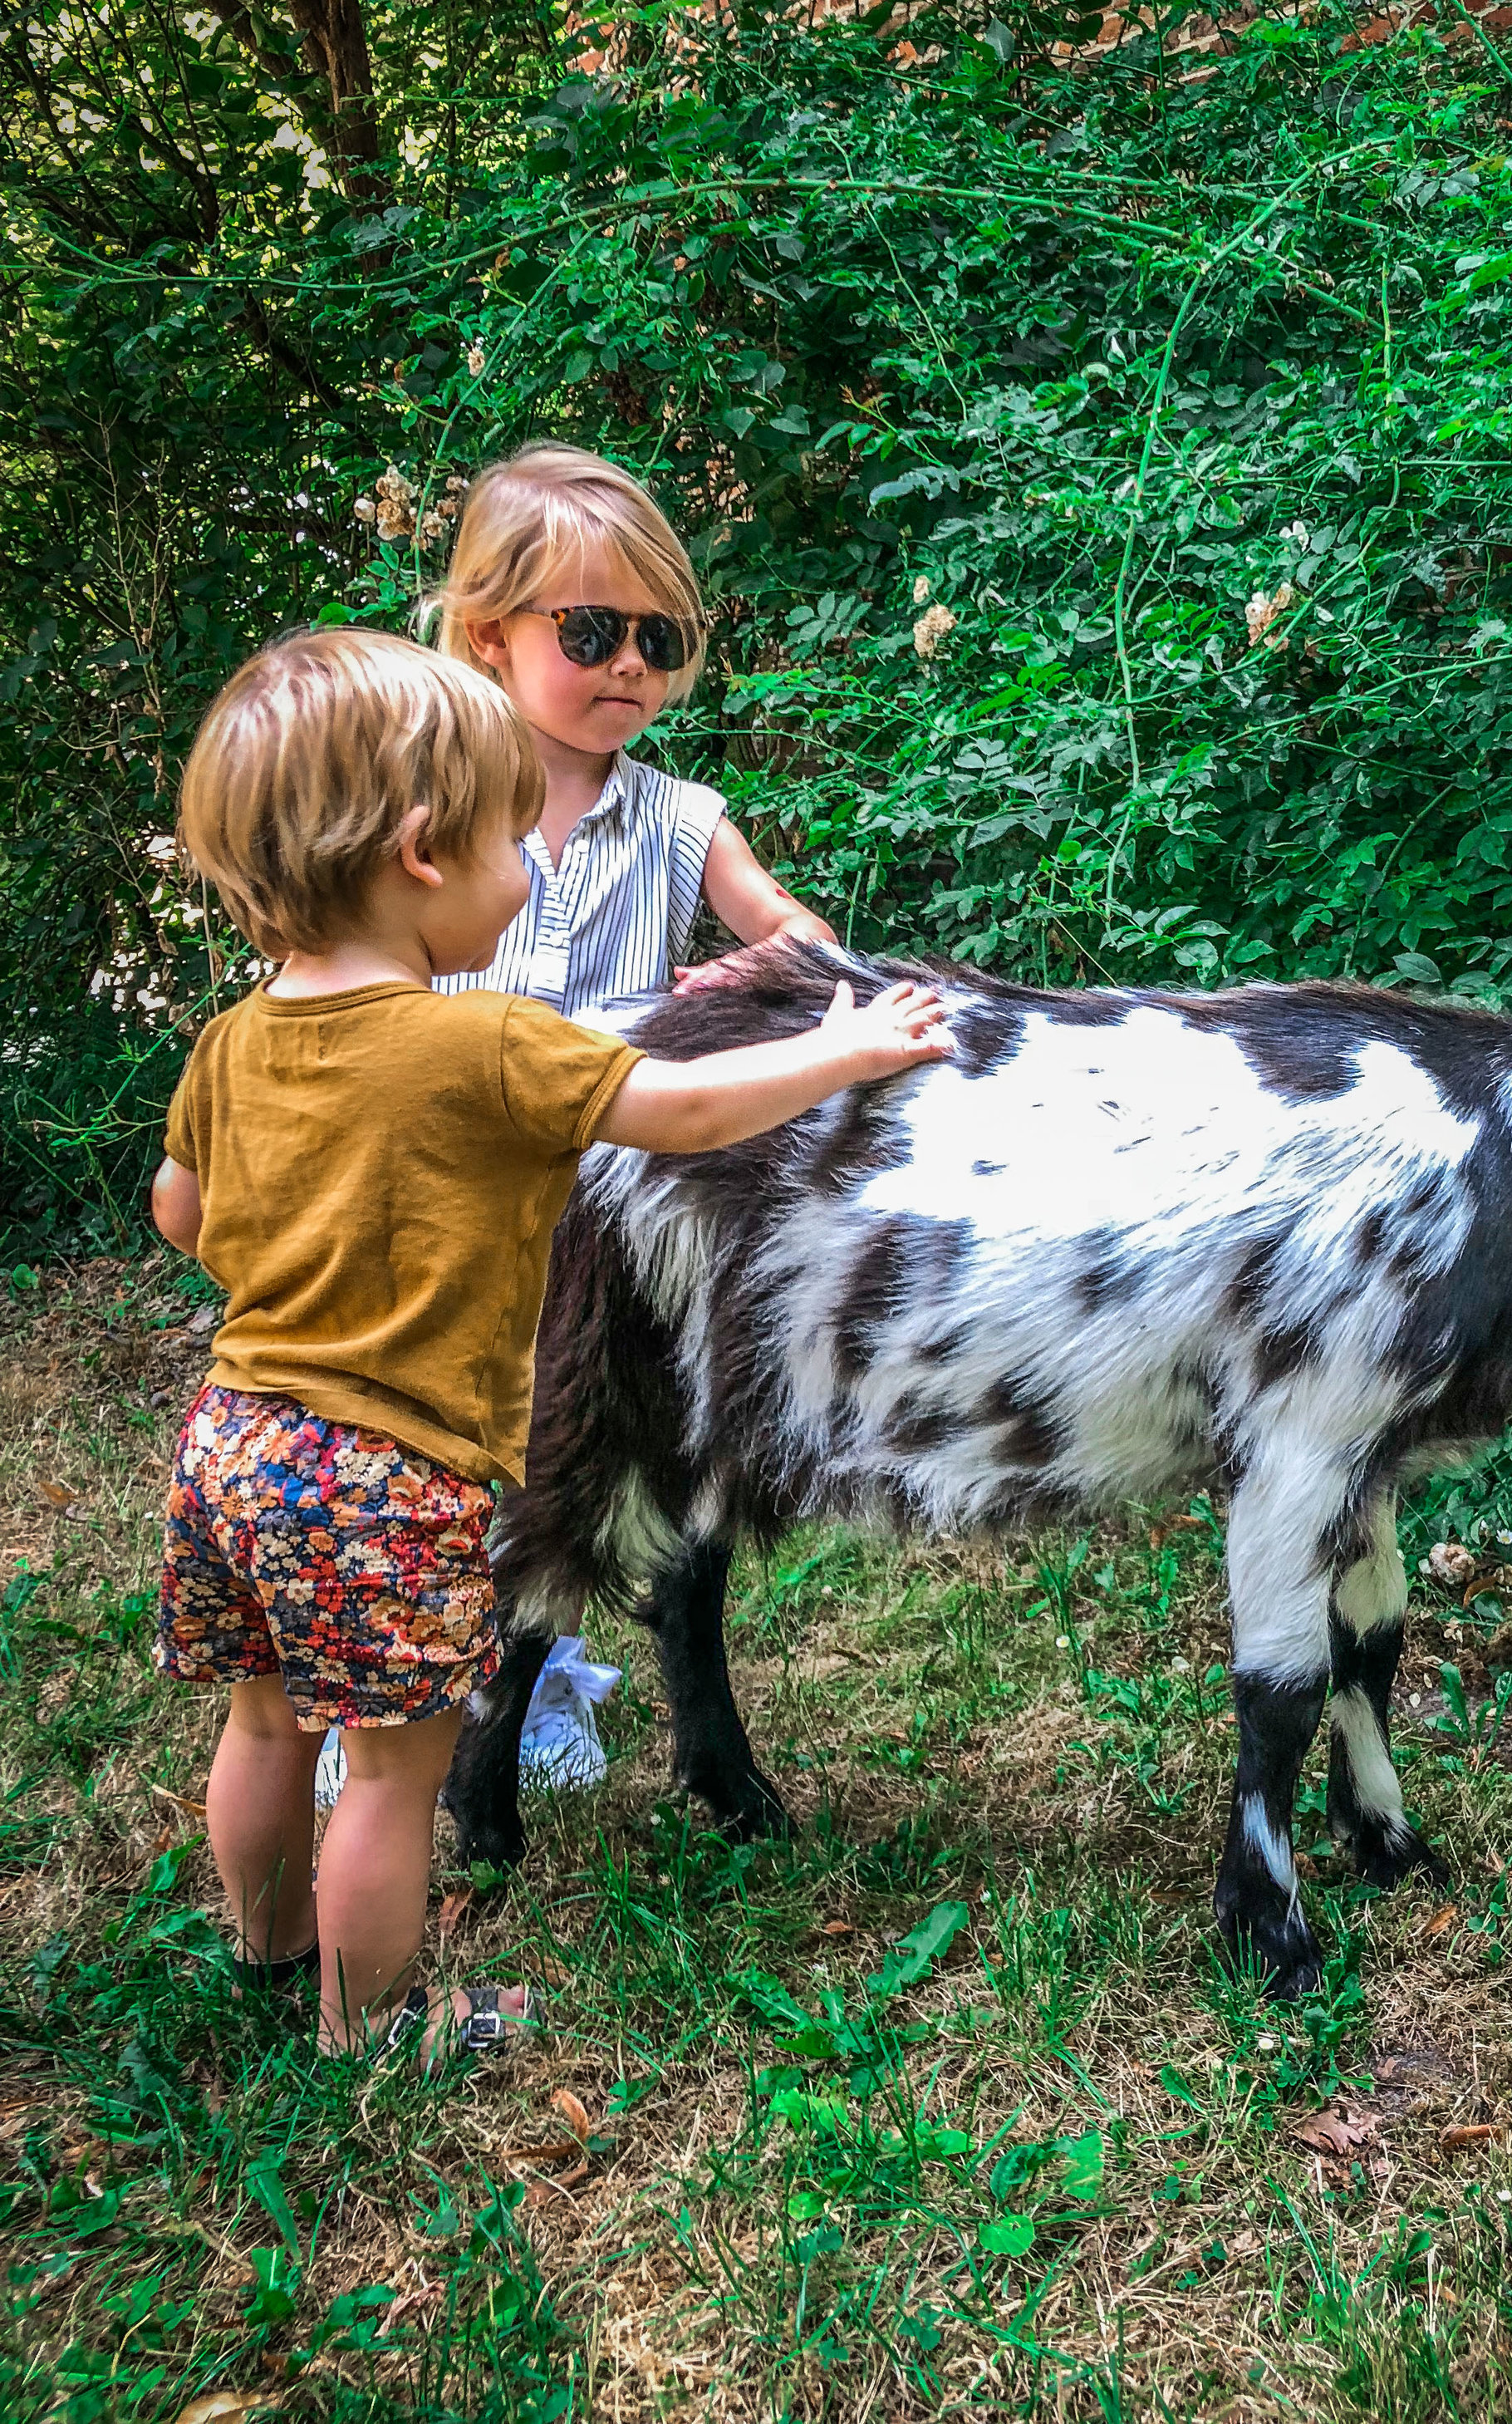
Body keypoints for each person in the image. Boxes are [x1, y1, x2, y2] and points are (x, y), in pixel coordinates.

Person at [150, 629, 949, 2065]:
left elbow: (181, 1208)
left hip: (232, 1438)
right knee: (392, 1773)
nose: (533, 874)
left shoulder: (230, 1041)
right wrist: (849, 1049)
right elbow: (688, 1112)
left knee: (264, 1725)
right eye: (512, 845)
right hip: (379, 1466)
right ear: (418, 855)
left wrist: (303, 1272)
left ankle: (267, 1954)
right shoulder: (488, 1042)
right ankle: (370, 2024)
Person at [430, 441, 837, 1022]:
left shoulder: (678, 819)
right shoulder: (430, 802)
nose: (631, 663)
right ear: (492, 633)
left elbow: (807, 933)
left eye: (658, 638)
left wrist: (760, 966)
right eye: (594, 631)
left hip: (621, 1110)